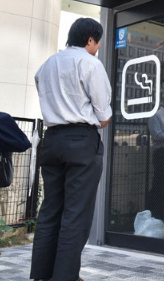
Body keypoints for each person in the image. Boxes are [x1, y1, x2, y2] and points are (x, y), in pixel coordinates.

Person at [30, 18, 112, 281]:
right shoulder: (91, 64)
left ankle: (42, 274)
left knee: (50, 209)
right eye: (98, 42)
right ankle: (65, 276)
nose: (98, 47)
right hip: (81, 140)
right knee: (76, 213)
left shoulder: (47, 65)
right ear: (90, 39)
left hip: (52, 138)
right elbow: (103, 115)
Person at [145, 98, 164, 221]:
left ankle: (162, 212)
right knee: (159, 182)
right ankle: (154, 211)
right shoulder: (157, 115)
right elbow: (157, 135)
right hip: (161, 152)